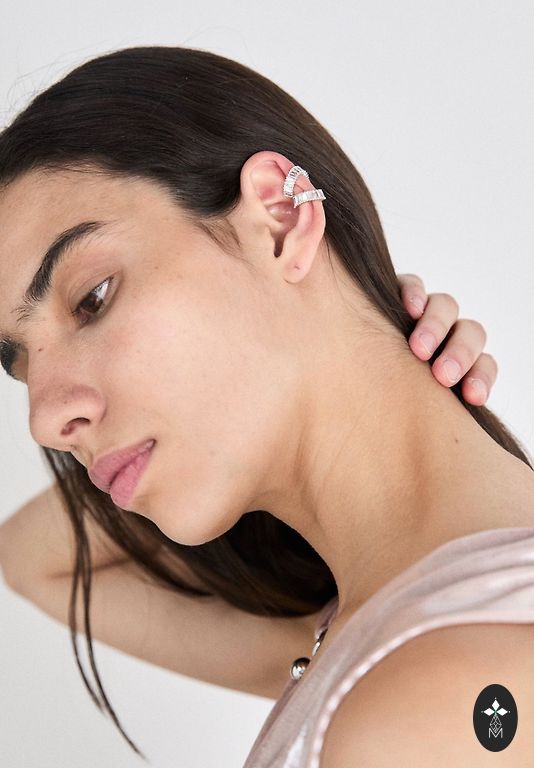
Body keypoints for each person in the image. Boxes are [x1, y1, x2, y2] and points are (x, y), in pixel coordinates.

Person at [0, 46, 532, 766]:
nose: (43, 419)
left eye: (91, 299)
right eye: (21, 365)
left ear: (280, 219)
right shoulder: (370, 631)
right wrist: (369, 332)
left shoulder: (430, 695)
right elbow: (28, 557)